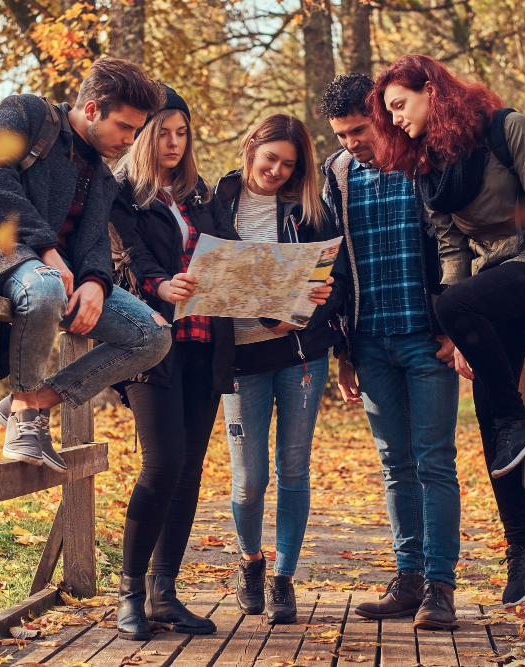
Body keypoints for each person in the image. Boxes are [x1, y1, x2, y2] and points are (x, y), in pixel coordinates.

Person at [370, 54, 525, 606]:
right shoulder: (430, 169)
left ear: (431, 91)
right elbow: (452, 249)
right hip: (492, 283)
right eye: (389, 112)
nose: (395, 120)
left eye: (400, 105)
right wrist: (458, 323)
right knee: (490, 423)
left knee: (500, 405)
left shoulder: (503, 128)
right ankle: (523, 547)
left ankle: (520, 416)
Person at [0, 58, 171, 471]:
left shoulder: (103, 175)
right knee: (47, 285)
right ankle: (24, 417)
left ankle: (34, 401)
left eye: (136, 130)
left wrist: (95, 283)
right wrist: (47, 248)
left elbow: (93, 244)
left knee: (152, 335)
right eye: (125, 127)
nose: (131, 139)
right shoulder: (28, 113)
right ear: (92, 110)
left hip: (57, 272)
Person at [320, 73, 461, 630]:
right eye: (341, 135)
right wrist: (344, 350)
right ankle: (408, 580)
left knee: (434, 462)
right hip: (371, 342)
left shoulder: (424, 161)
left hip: (427, 339)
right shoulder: (337, 175)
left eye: (357, 130)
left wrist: (454, 324)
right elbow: (337, 266)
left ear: (378, 115)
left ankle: (441, 589)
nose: (351, 143)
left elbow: (454, 241)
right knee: (394, 465)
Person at [108, 86, 239, 640]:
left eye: (182, 133)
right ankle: (130, 592)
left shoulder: (199, 194)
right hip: (152, 340)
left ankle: (165, 593)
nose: (173, 142)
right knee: (161, 464)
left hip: (205, 342)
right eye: (163, 132)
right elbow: (126, 260)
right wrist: (163, 283)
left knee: (187, 470)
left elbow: (229, 252)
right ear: (142, 134)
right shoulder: (122, 196)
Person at [215, 114, 346, 624]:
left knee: (293, 470)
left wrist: (312, 305)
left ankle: (284, 579)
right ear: (251, 147)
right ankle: (250, 560)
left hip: (300, 357)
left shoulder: (308, 210)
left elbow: (336, 281)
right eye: (270, 158)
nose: (276, 170)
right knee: (249, 480)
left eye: (288, 164)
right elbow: (203, 269)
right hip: (240, 359)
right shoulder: (216, 199)